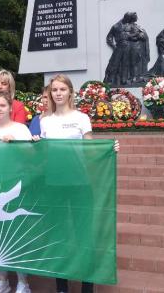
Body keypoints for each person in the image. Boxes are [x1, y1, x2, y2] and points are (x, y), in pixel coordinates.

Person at [37, 74, 119, 293]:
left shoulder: (81, 118)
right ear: (50, 94)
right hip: (54, 184)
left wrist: (108, 150)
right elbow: (43, 154)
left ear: (70, 92)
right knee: (58, 235)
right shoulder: (45, 121)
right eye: (55, 90)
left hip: (80, 183)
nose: (58, 93)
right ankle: (61, 286)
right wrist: (35, 144)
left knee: (84, 234)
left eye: (62, 89)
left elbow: (90, 150)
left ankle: (87, 286)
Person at [0, 91, 32, 293]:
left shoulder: (20, 129)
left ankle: (23, 283)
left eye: (2, 105)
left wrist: (16, 144)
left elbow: (32, 154)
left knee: (17, 234)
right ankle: (3, 281)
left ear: (10, 108)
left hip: (17, 186)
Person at [103, 11, 149, 85]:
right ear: (126, 18)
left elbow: (138, 33)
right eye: (129, 19)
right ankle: (110, 80)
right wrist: (113, 46)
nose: (130, 21)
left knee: (125, 64)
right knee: (114, 63)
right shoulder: (116, 26)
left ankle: (123, 80)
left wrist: (138, 36)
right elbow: (109, 37)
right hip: (119, 47)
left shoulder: (131, 25)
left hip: (128, 47)